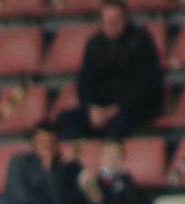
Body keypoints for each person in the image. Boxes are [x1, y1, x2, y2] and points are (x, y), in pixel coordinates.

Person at [56, 0, 164, 140]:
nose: (111, 24)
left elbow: (145, 85)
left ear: (125, 19)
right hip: (100, 107)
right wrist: (92, 108)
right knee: (66, 120)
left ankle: (111, 160)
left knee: (117, 124)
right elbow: (85, 82)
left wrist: (116, 109)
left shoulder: (142, 42)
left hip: (133, 107)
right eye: (106, 20)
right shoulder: (94, 44)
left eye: (115, 19)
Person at [62, 138, 152, 204]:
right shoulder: (93, 181)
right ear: (101, 157)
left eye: (116, 155)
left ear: (123, 157)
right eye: (107, 154)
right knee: (75, 196)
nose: (111, 159)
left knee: (134, 197)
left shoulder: (129, 183)